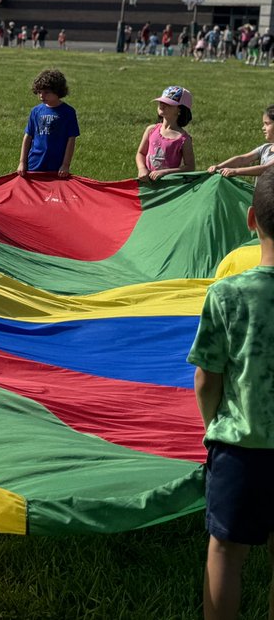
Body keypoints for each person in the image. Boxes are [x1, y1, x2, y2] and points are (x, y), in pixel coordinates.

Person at [188, 170, 274, 620]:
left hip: (241, 447)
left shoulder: (227, 294)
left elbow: (207, 378)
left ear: (250, 220)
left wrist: (212, 425)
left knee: (225, 552)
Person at [17, 68, 79, 177]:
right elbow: (28, 137)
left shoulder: (68, 112)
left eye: (46, 92)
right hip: (34, 164)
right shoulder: (35, 111)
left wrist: (65, 164)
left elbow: (71, 140)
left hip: (57, 166)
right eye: (39, 92)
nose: (41, 95)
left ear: (58, 91)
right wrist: (22, 162)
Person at [136, 85, 194, 181]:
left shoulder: (183, 139)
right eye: (161, 102)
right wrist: (142, 169)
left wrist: (165, 172)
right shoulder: (151, 130)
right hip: (147, 183)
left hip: (169, 186)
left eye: (168, 103)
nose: (162, 105)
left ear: (180, 109)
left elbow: (190, 167)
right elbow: (141, 153)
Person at [209, 106, 274, 179]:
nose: (263, 128)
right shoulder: (265, 148)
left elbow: (266, 169)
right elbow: (242, 159)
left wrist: (235, 171)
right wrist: (219, 167)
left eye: (267, 124)